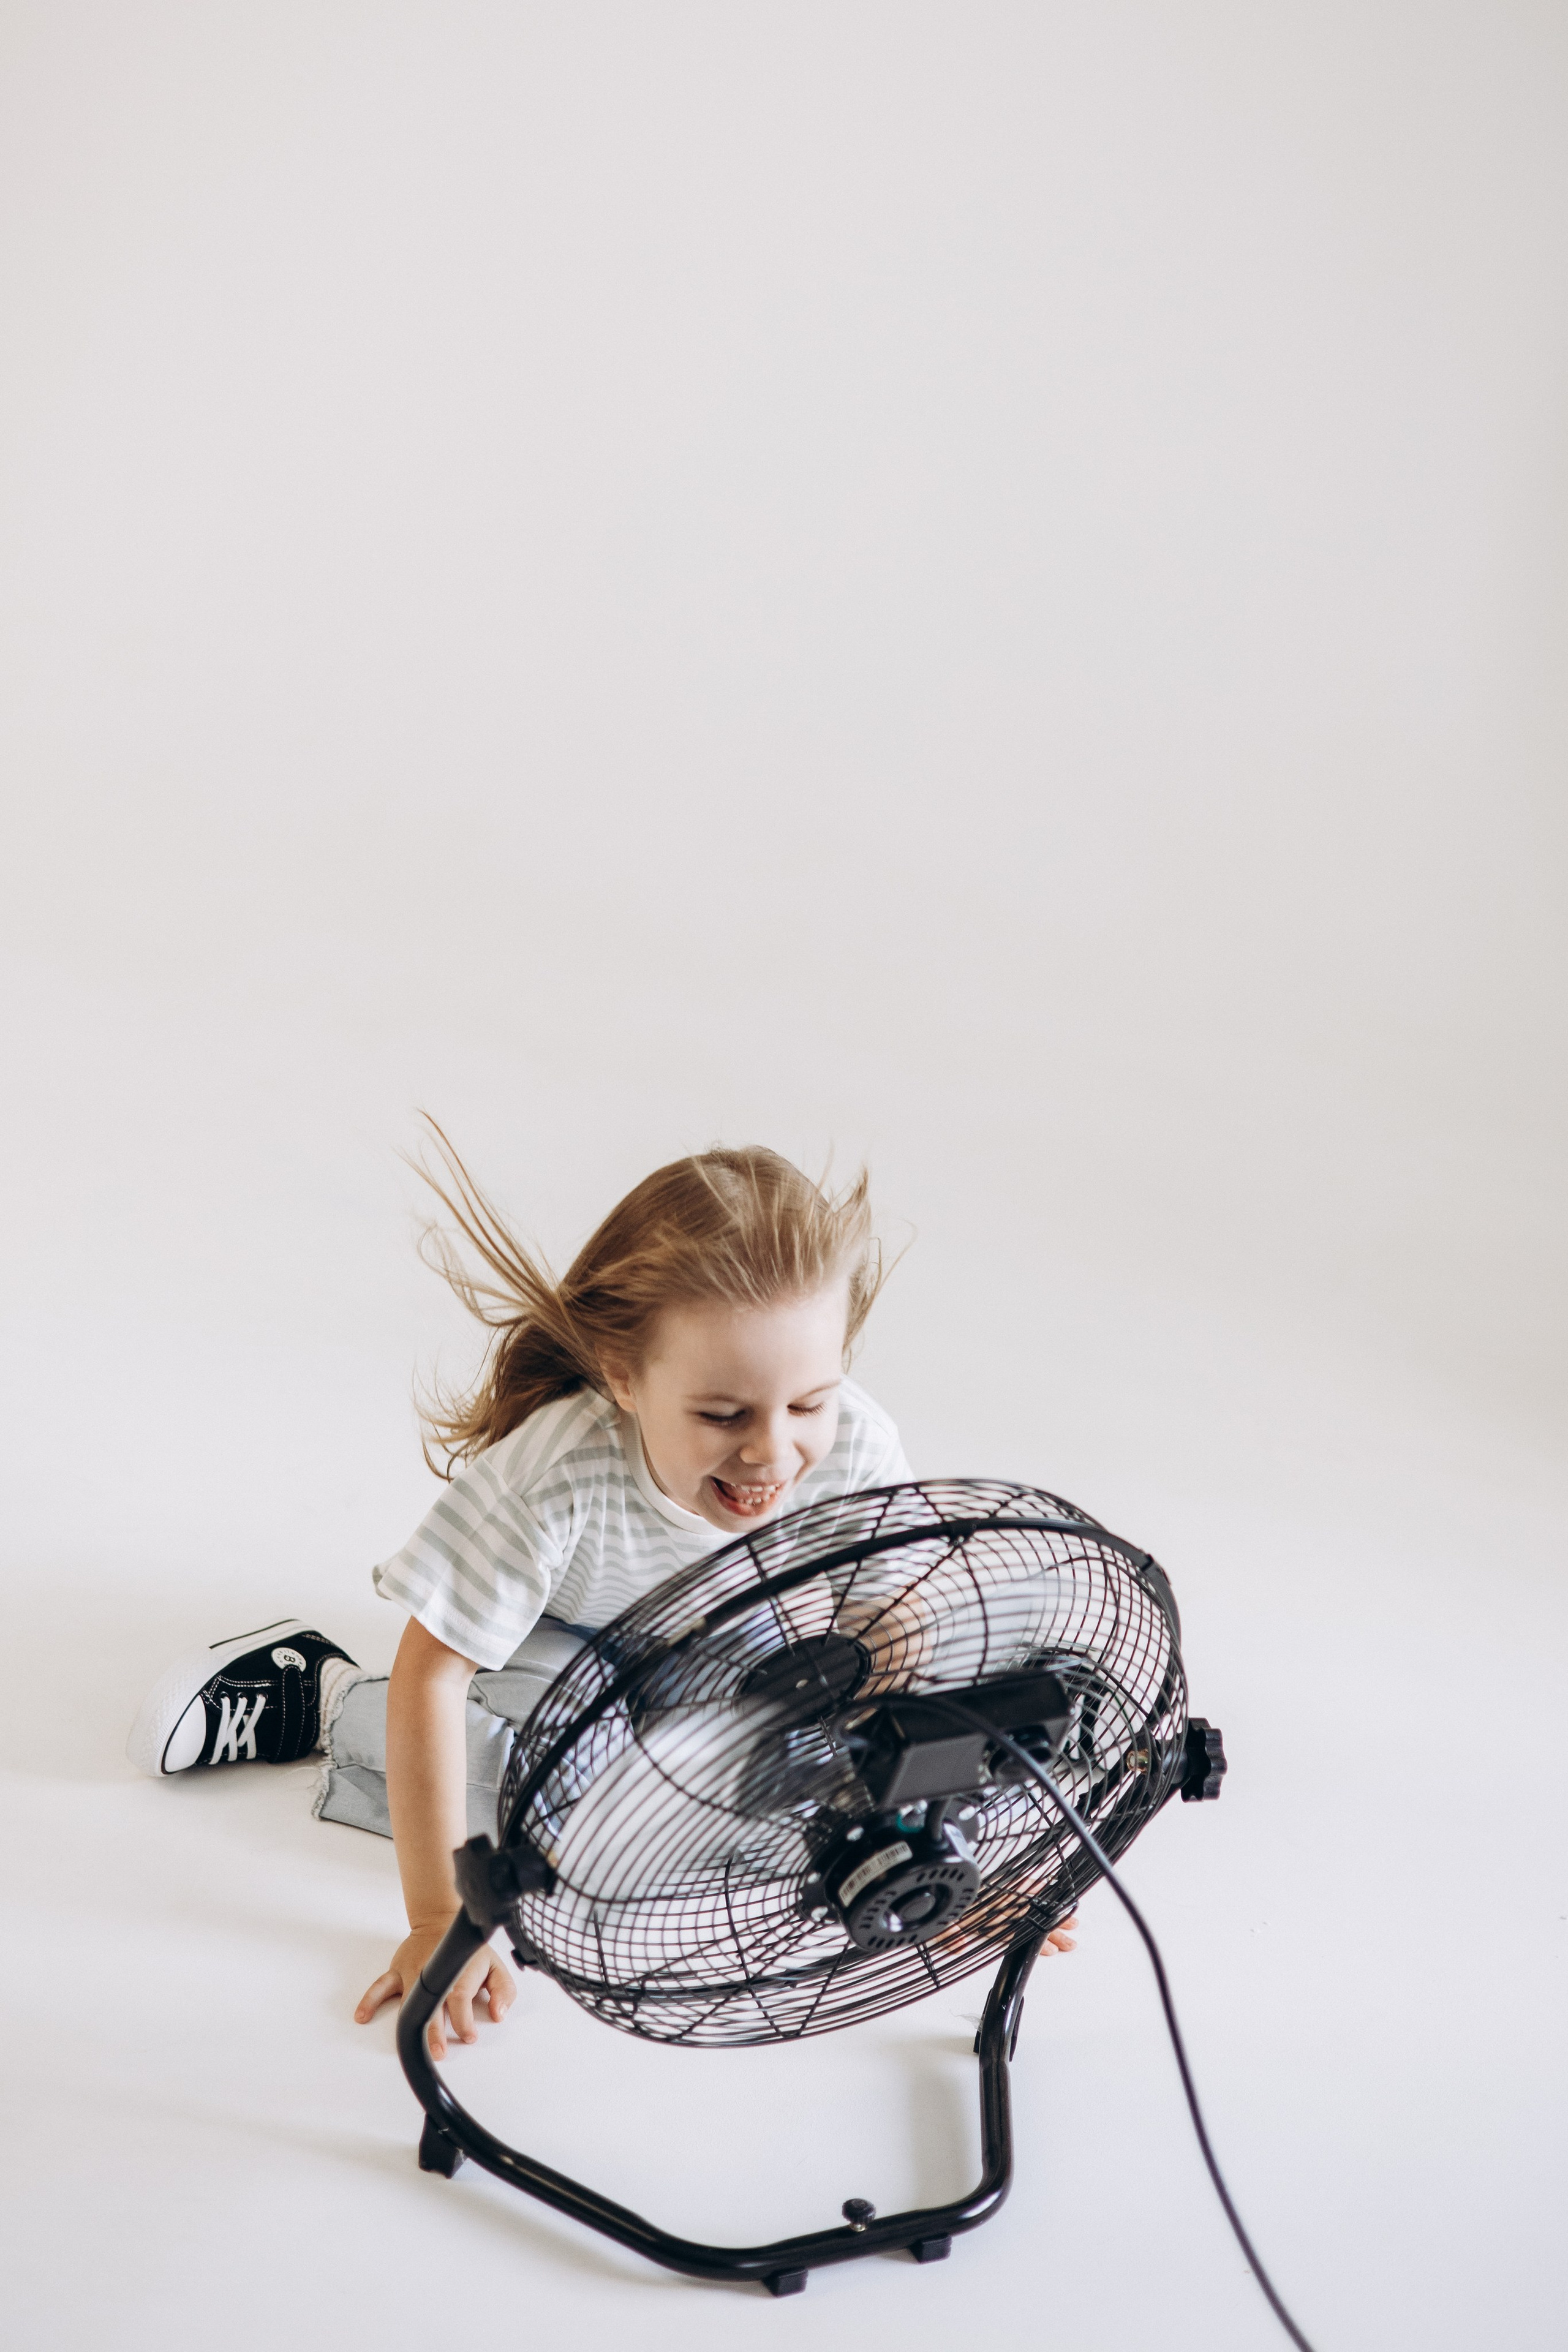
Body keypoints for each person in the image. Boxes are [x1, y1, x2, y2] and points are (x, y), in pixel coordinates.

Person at [127, 1131, 1077, 2054]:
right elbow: (435, 1670)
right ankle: (326, 1698)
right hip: (564, 1643)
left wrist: (934, 1855)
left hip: (732, 1654)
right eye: (722, 1414)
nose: (772, 1452)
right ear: (624, 1377)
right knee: (561, 1813)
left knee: (786, 1794)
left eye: (808, 1404)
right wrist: (437, 1920)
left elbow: (892, 1634)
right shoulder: (557, 1473)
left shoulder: (858, 1446)